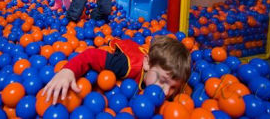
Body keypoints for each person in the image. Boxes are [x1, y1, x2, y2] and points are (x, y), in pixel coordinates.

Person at [41, 35, 191, 104]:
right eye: (163, 81)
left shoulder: (171, 82)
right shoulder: (125, 66)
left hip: (145, 54)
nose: (165, 92)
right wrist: (68, 71)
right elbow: (90, 55)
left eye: (173, 88)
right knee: (115, 46)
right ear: (147, 65)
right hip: (127, 51)